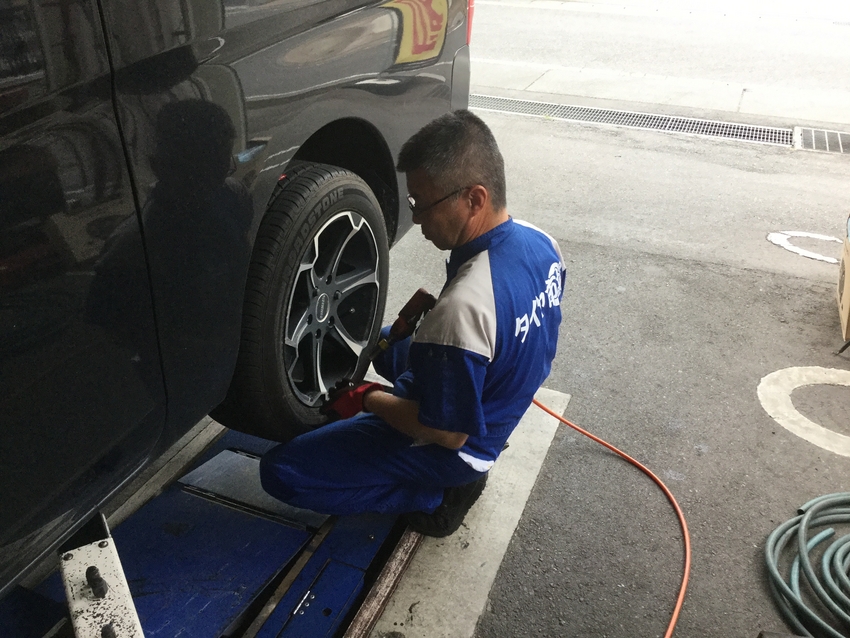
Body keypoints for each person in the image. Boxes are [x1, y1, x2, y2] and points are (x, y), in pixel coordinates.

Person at [260, 110, 565, 537]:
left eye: (423, 204)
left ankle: (435, 495)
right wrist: (431, 336)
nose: (417, 218)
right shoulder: (540, 241)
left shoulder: (463, 310)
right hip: (501, 389)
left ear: (475, 199)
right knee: (386, 344)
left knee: (282, 472)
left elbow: (448, 433)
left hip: (459, 445)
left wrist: (369, 399)